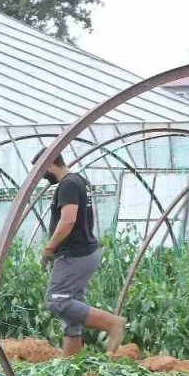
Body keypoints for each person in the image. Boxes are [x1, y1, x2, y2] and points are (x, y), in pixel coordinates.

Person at [37, 152, 126, 356]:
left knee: (57, 300)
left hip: (74, 254)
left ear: (51, 163)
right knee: (71, 312)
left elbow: (68, 220)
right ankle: (72, 366)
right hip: (84, 252)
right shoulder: (78, 181)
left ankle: (112, 323)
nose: (42, 176)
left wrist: (49, 248)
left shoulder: (67, 184)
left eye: (42, 170)